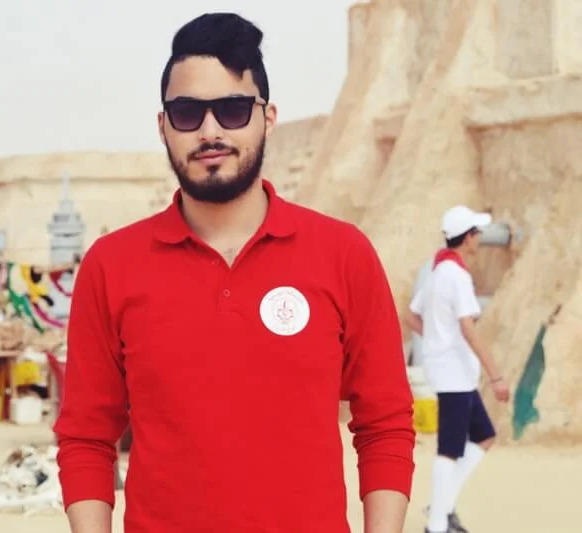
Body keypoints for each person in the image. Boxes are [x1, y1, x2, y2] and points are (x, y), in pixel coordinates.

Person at [53, 13, 415, 533]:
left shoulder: (343, 254)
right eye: (187, 113)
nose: (210, 131)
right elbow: (86, 437)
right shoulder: (112, 266)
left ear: (267, 118)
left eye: (232, 109)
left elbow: (384, 423)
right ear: (163, 127)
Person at [403, 205, 511, 533]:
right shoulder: (456, 276)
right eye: (477, 232)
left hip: (453, 372)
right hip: (453, 374)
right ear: (467, 238)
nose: (480, 238)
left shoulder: (439, 272)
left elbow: (411, 315)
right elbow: (468, 329)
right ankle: (437, 524)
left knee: (484, 436)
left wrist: (437, 339)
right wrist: (496, 376)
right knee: (449, 448)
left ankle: (442, 504)